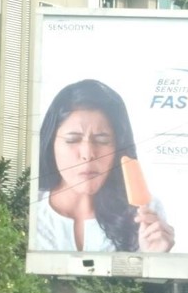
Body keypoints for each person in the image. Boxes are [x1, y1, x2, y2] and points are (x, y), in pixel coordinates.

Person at [33, 79, 175, 253]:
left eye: (102, 140)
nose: (88, 154)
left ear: (118, 147)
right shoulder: (29, 210)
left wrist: (154, 259)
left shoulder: (146, 212)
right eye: (72, 140)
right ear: (50, 144)